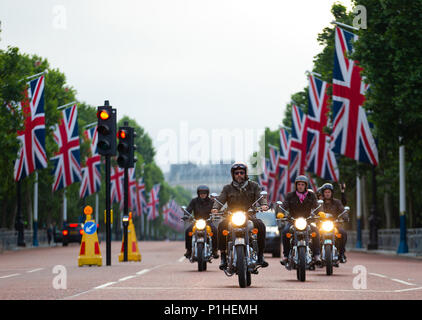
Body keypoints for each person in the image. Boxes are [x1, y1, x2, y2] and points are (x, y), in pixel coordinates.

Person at [211, 162, 269, 269]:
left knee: (261, 226)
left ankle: (260, 255)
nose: (239, 175)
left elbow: (261, 197)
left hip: (249, 215)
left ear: (245, 174)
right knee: (221, 226)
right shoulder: (227, 188)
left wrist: (264, 205)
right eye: (236, 173)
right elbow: (220, 199)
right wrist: (215, 208)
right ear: (233, 174)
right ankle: (223, 256)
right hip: (231, 216)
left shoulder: (254, 186)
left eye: (241, 173)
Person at [280, 175, 321, 266]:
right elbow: (284, 205)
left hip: (307, 221)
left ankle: (316, 255)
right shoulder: (290, 195)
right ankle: (286, 255)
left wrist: (320, 213)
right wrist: (281, 212)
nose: (300, 186)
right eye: (299, 184)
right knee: (285, 232)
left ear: (306, 186)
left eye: (302, 184)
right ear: (296, 185)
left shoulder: (311, 195)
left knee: (316, 232)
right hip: (293, 221)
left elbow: (316, 206)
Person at [184, 185, 219, 259]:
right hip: (196, 222)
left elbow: (216, 209)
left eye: (204, 193)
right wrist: (186, 215)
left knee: (215, 231)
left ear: (207, 193)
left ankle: (215, 250)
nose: (203, 194)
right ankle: (189, 250)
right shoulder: (194, 201)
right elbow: (188, 209)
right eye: (201, 193)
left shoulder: (211, 202)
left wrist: (217, 213)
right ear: (198, 193)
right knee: (188, 231)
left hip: (208, 222)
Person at [320, 183, 348, 263]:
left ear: (332, 193)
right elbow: (314, 211)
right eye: (326, 192)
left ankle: (342, 254)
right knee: (314, 234)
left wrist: (345, 216)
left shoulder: (337, 202)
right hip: (321, 225)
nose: (327, 194)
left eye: (329, 192)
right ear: (323, 193)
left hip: (334, 225)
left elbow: (343, 210)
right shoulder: (319, 203)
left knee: (343, 233)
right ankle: (316, 255)